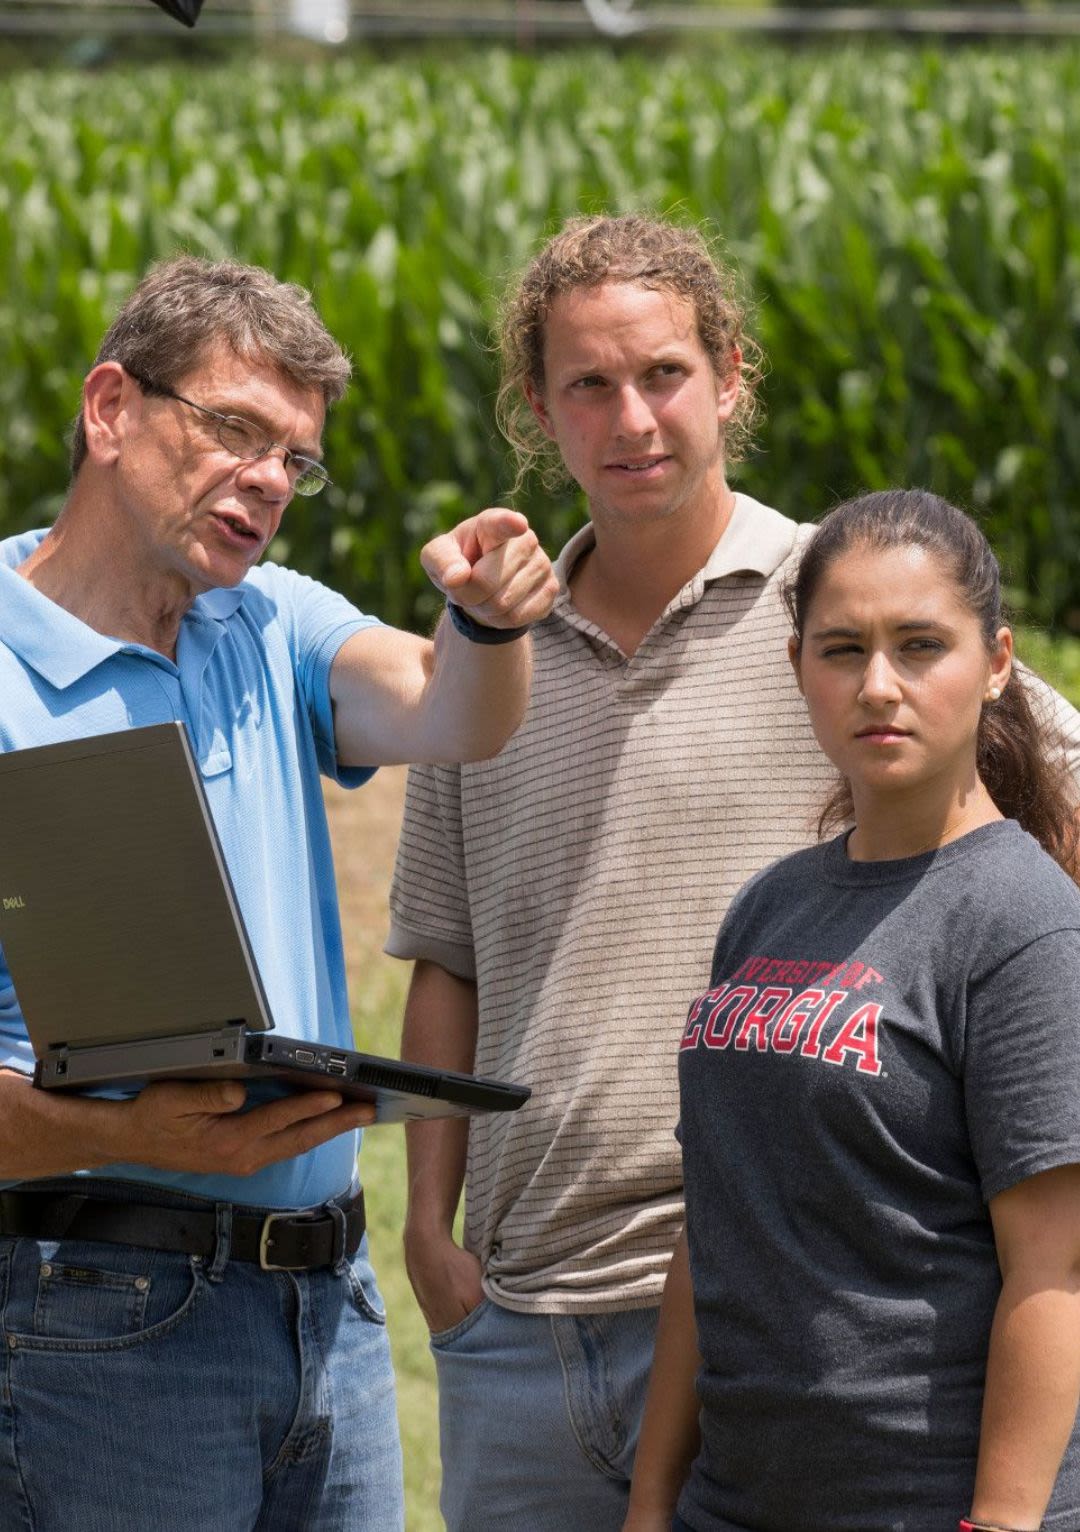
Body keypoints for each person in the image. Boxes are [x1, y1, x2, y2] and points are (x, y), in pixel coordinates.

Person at [0, 255, 558, 1532]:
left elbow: (453, 713)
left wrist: (487, 620)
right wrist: (136, 1132)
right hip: (99, 1312)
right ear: (109, 408)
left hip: (331, 1310)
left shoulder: (267, 618)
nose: (266, 479)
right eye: (234, 430)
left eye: (294, 460)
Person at [625, 489, 1080, 1532]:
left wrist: (999, 1525)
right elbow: (715, 1223)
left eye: (921, 645)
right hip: (731, 1503)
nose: (880, 685)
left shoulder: (1024, 924)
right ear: (799, 669)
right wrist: (652, 1500)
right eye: (842, 649)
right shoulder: (769, 905)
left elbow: (1054, 1270)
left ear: (999, 660)